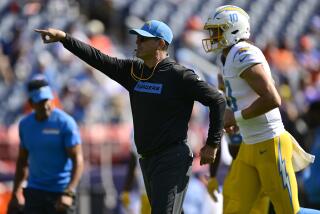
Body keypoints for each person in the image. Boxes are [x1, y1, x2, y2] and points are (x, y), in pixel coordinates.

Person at [34, 19, 226, 214]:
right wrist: (65, 39)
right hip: (147, 159)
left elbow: (217, 100)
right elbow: (97, 58)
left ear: (161, 43)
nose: (137, 42)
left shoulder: (179, 75)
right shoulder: (134, 71)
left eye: (144, 39)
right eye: (138, 38)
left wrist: (212, 143)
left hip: (172, 157)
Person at [202, 5, 317, 214]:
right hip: (249, 144)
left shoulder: (243, 53)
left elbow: (273, 98)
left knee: (289, 212)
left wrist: (235, 117)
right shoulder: (227, 57)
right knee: (234, 209)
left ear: (233, 30)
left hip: (270, 142)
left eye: (217, 30)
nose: (212, 36)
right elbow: (237, 96)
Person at [7, 78, 84, 214]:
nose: (47, 105)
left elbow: (78, 160)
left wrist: (69, 192)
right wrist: (16, 192)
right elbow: (22, 161)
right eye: (41, 102)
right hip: (34, 192)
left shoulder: (65, 123)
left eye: (48, 99)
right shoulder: (25, 125)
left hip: (60, 192)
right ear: (31, 103)